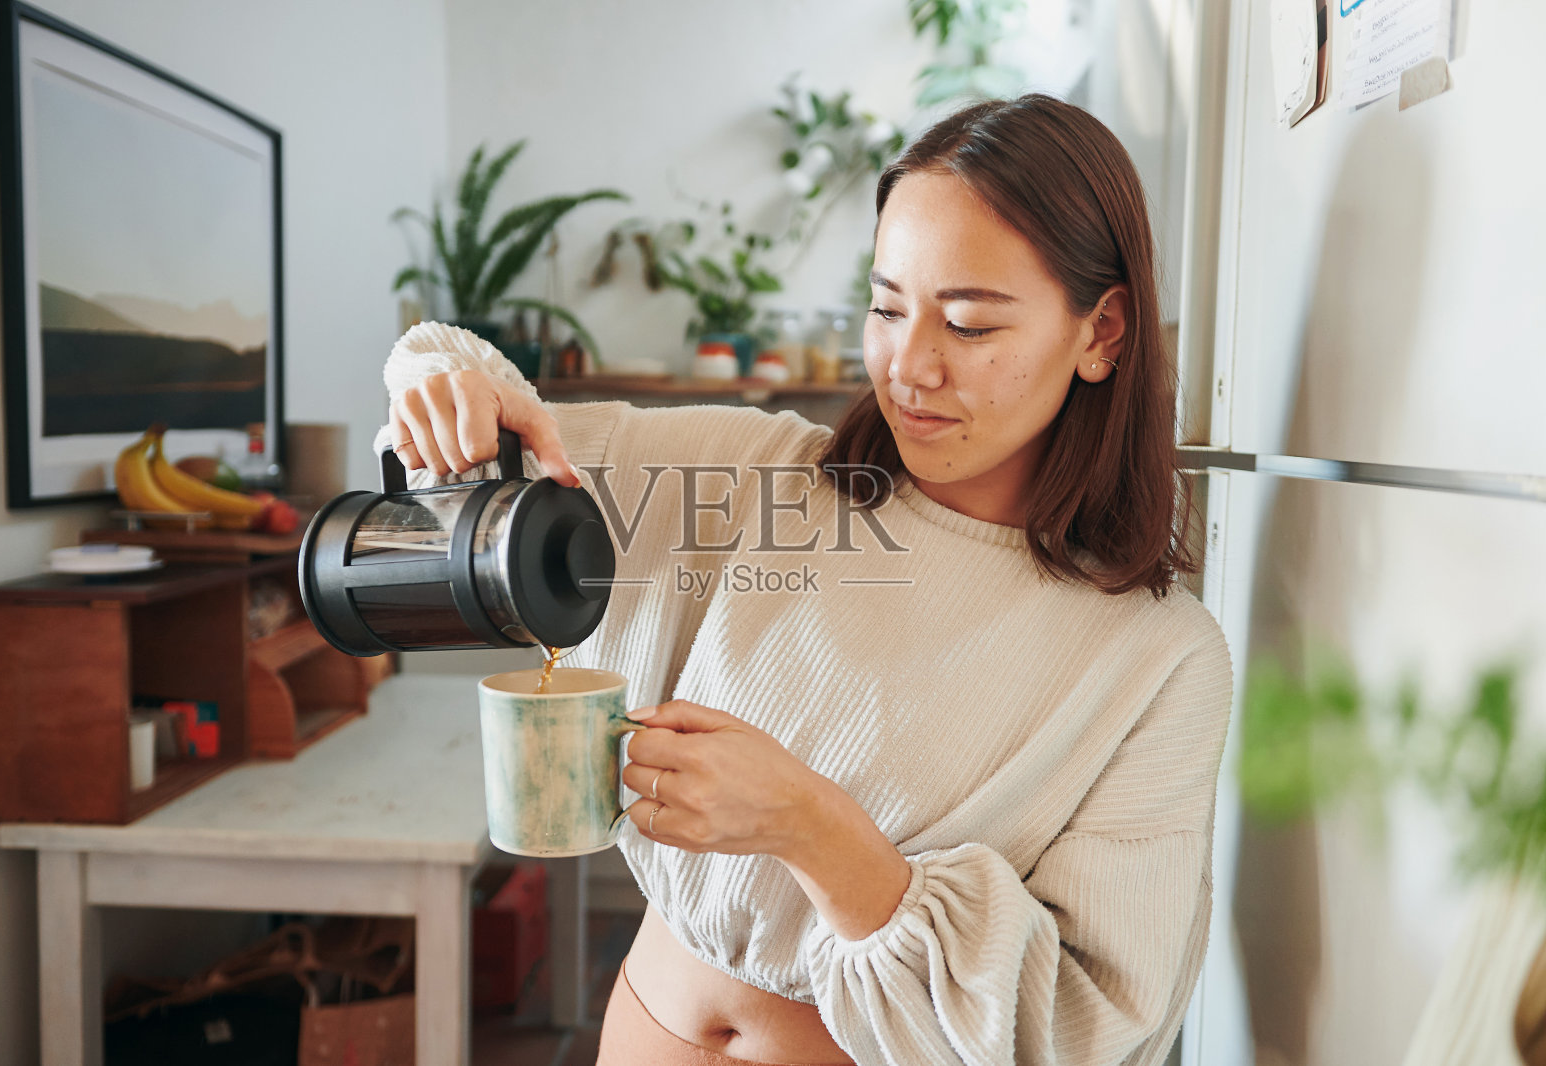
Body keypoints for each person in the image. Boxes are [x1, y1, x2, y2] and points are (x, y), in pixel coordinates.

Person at [380, 94, 1234, 1066]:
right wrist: (450, 395)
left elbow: (1083, 1022)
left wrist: (813, 829)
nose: (908, 367)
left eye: (966, 324)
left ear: (1102, 332)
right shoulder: (755, 476)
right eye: (886, 308)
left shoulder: (1157, 660)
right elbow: (487, 441)